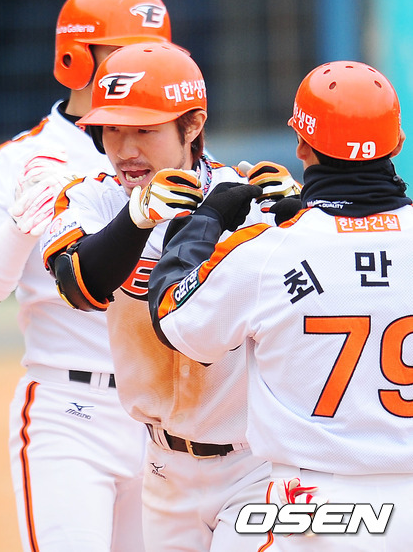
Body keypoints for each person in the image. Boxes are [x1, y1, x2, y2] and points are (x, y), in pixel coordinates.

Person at [0, 0, 172, 552]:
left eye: (153, 51)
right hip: (71, 414)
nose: (141, 66)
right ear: (75, 58)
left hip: (165, 420)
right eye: (123, 52)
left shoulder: (183, 157)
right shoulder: (19, 160)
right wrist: (19, 228)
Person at [40, 41, 301, 552]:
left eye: (145, 130)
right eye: (112, 129)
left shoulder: (247, 196)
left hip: (256, 468)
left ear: (193, 124)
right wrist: (136, 217)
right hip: (162, 470)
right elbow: (79, 285)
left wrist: (302, 217)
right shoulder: (93, 196)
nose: (125, 149)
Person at [147, 60, 413, 550]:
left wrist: (205, 220)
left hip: (312, 508)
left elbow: (174, 319)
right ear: (396, 144)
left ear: (302, 145)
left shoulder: (268, 253)